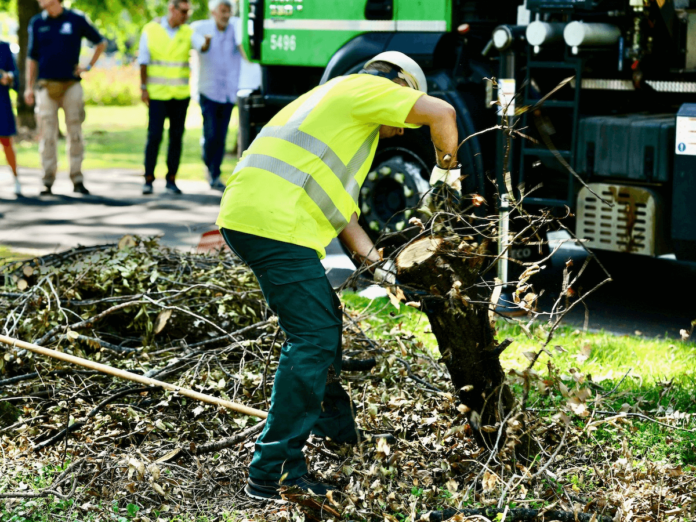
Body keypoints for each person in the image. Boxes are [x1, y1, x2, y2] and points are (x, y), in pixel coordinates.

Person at [216, 51, 461, 500]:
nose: (402, 127)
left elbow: (345, 219)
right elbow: (442, 114)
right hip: (273, 222)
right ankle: (274, 470)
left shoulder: (333, 106)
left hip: (254, 214)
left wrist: (383, 272)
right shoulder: (367, 88)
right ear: (400, 85)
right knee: (313, 338)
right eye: (404, 112)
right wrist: (445, 184)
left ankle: (339, 433)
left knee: (323, 320)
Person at [25, 0, 106, 196]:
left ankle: (77, 178)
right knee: (47, 133)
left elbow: (100, 43)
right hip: (46, 85)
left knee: (75, 131)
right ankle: (47, 180)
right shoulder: (37, 22)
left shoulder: (76, 19)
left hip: (71, 84)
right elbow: (31, 57)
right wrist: (28, 87)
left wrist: (87, 67)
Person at [139, 0, 211, 196]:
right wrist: (143, 88)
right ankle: (148, 179)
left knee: (176, 138)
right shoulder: (151, 29)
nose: (186, 15)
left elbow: (202, 46)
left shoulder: (187, 32)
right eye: (184, 11)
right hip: (157, 94)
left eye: (188, 12)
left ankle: (171, 179)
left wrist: (207, 41)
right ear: (172, 9)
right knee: (154, 136)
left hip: (179, 95)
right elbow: (143, 61)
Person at [192, 0, 241, 191]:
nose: (226, 15)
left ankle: (215, 174)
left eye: (229, 12)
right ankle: (208, 160)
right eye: (223, 11)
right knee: (211, 133)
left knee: (221, 136)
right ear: (213, 12)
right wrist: (206, 42)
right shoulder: (200, 27)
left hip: (228, 93)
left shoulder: (236, 29)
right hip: (209, 91)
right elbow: (199, 45)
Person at [0, 40, 20, 196]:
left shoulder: (4, 47)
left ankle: (16, 178)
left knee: (6, 141)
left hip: (2, 101)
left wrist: (9, 77)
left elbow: (14, 72)